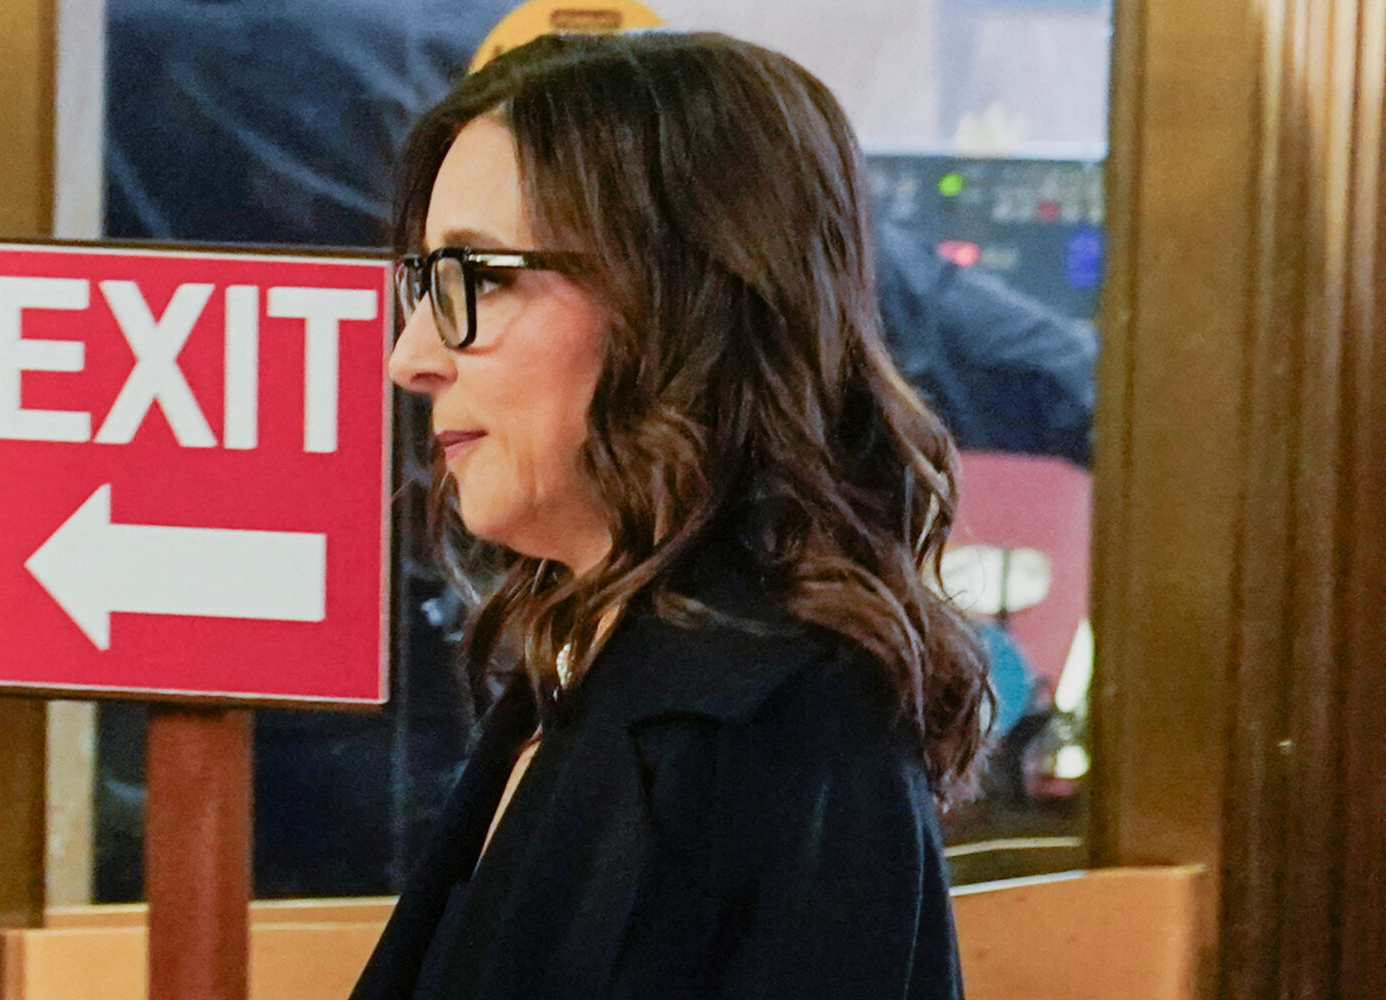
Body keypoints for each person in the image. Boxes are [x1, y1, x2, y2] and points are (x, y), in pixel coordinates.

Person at [351, 31, 992, 1000]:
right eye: (423, 282)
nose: (411, 357)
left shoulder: (773, 732)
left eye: (476, 279)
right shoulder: (592, 667)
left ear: (674, 300)